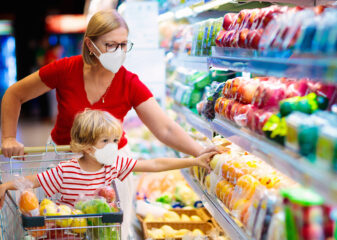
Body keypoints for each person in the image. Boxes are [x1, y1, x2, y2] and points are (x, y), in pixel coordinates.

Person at [0, 9, 219, 239]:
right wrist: (8, 137)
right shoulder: (65, 70)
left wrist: (201, 152)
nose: (119, 52)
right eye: (110, 45)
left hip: (109, 165)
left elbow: (165, 128)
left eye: (124, 45)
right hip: (63, 161)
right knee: (58, 227)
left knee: (106, 231)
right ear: (90, 45)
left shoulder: (129, 82)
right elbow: (14, 94)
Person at [0, 109, 215, 211]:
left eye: (115, 140)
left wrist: (194, 161)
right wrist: (7, 186)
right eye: (106, 141)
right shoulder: (66, 170)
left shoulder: (114, 165)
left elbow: (154, 164)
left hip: (101, 230)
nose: (113, 146)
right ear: (86, 145)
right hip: (68, 231)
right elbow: (35, 180)